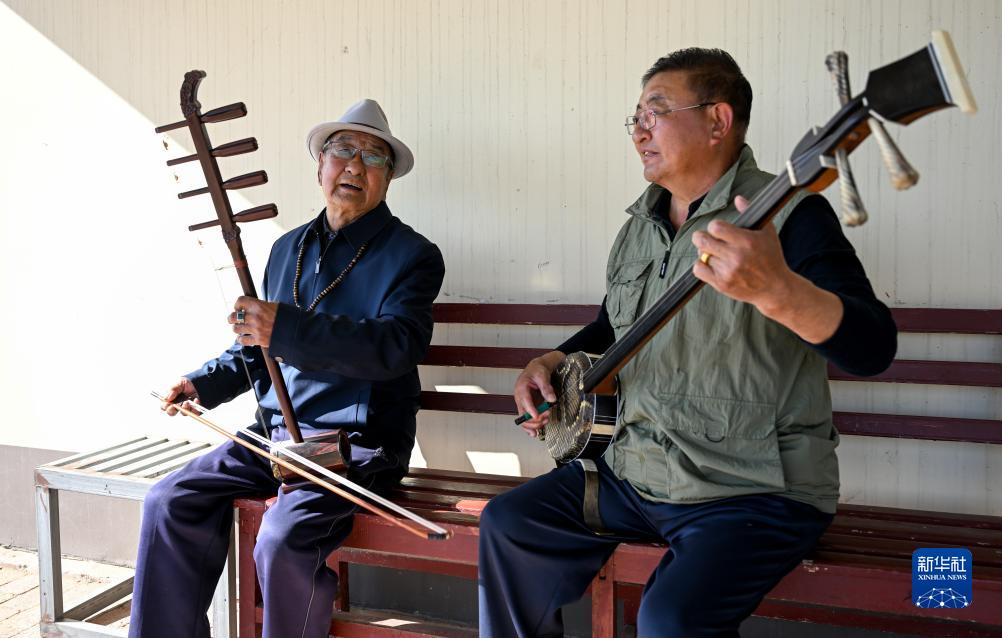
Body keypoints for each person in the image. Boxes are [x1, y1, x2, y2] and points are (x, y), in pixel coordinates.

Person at [479, 48, 897, 637]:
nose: (639, 132)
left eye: (655, 113)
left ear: (718, 121)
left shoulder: (790, 215)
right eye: (636, 118)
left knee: (670, 620)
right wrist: (549, 361)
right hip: (637, 471)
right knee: (510, 525)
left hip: (752, 490)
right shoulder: (639, 227)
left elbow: (873, 347)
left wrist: (778, 291)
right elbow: (615, 326)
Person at [129, 99, 445, 638]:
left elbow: (397, 346)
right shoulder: (286, 248)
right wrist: (202, 383)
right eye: (342, 150)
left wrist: (287, 328)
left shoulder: (413, 254)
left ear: (388, 177)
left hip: (356, 446)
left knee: (279, 540)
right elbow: (256, 347)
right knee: (169, 501)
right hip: (275, 438)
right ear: (320, 165)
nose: (355, 165)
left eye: (373, 156)